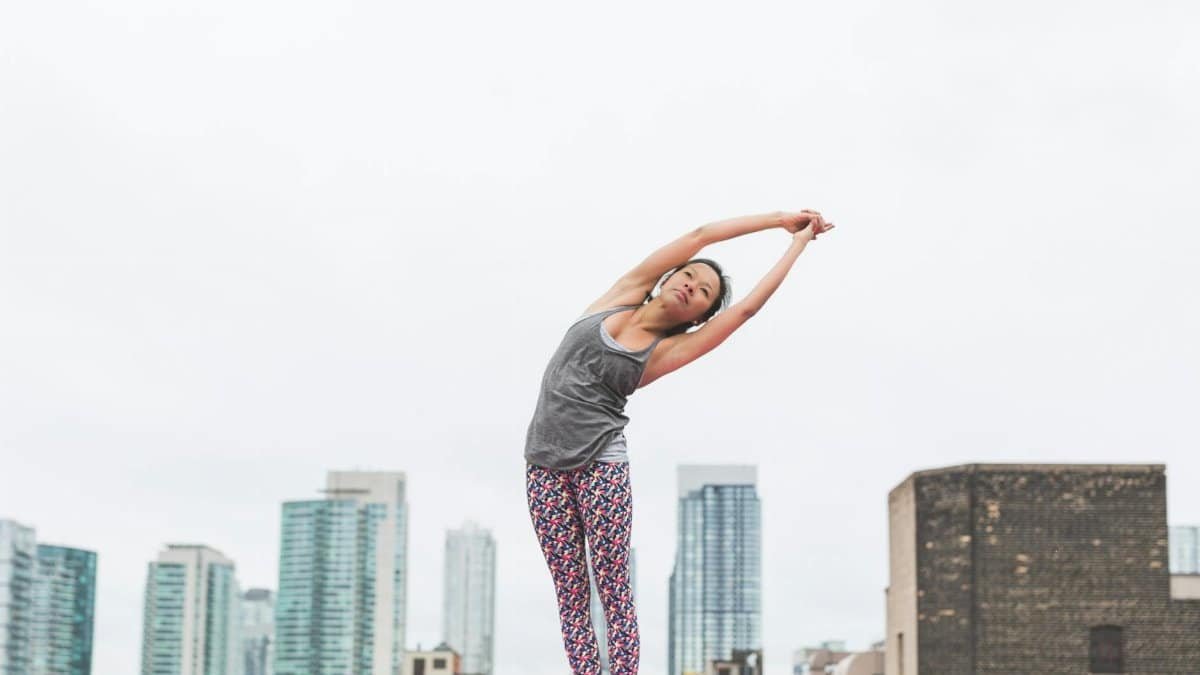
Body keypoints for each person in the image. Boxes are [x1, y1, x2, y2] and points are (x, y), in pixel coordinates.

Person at [524, 210, 835, 674]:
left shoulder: (666, 350)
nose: (691, 285)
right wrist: (779, 220)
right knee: (569, 589)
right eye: (688, 275)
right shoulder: (622, 293)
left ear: (697, 317)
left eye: (703, 292)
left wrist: (798, 244)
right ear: (668, 277)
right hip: (542, 465)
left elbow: (746, 309)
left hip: (599, 464)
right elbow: (702, 234)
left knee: (611, 587)